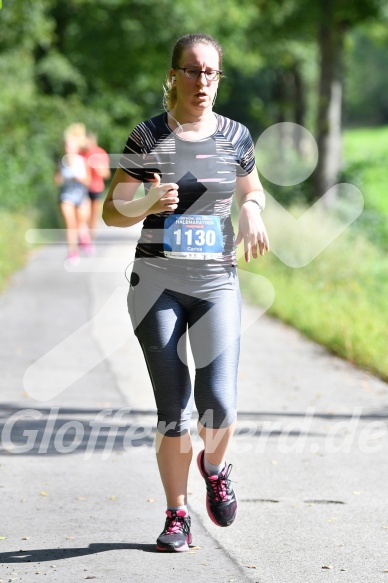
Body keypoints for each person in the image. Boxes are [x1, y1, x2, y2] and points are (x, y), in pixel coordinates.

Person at [103, 33, 269, 552]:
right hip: (156, 283)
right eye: (193, 71)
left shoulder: (235, 136)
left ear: (219, 80)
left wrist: (251, 208)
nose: (203, 82)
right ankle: (178, 515)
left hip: (216, 282)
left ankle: (215, 466)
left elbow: (252, 187)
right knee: (173, 409)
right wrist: (147, 203)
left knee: (218, 401)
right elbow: (112, 211)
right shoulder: (147, 137)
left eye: (211, 73)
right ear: (173, 75)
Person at [55, 123, 92, 264]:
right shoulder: (61, 162)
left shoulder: (82, 161)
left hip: (81, 195)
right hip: (66, 196)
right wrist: (60, 179)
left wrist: (79, 177)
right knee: (70, 224)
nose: (67, 148)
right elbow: (57, 179)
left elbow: (88, 181)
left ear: (76, 147)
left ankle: (84, 237)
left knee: (80, 223)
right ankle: (72, 253)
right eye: (66, 145)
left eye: (70, 145)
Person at [82, 131, 111, 239]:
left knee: (94, 215)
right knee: (85, 214)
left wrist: (98, 169)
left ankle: (91, 238)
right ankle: (84, 236)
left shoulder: (100, 153)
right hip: (83, 188)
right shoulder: (81, 153)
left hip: (97, 188)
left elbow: (106, 174)